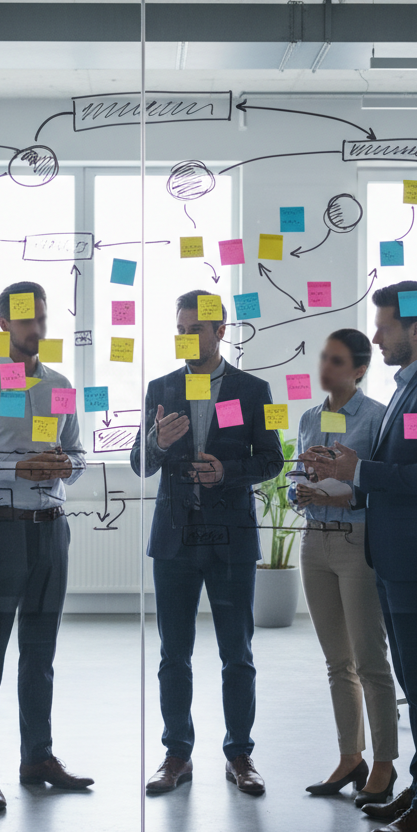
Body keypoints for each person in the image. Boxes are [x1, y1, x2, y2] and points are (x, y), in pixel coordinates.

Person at [307, 281, 417, 832]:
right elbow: (405, 466)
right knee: (415, 683)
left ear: (416, 330)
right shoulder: (409, 388)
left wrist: (360, 472)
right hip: (398, 559)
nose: (376, 337)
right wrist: (347, 468)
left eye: (385, 327)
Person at [131, 290, 284, 796]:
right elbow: (140, 463)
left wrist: (227, 472)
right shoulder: (161, 387)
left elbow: (271, 461)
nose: (186, 336)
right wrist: (158, 442)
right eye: (180, 327)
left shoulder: (252, 389)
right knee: (174, 655)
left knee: (236, 653)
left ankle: (240, 755)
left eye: (195, 328)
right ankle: (177, 755)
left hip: (230, 539)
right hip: (176, 540)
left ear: (221, 332)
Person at [0, 281, 91, 812]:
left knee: (40, 652)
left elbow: (77, 454)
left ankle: (38, 757)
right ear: (4, 323)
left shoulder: (59, 385)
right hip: (0, 528)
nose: (37, 328)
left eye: (42, 317)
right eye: (26, 319)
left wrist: (63, 465)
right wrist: (18, 466)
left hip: (51, 528)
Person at [293, 330, 399, 805]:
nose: (326, 367)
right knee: (338, 662)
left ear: (358, 369)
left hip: (357, 542)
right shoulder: (310, 417)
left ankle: (384, 764)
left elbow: (379, 486)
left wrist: (343, 486)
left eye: (336, 360)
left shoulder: (377, 418)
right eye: (323, 357)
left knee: (370, 661)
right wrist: (303, 490)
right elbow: (302, 479)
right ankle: (349, 756)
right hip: (315, 541)